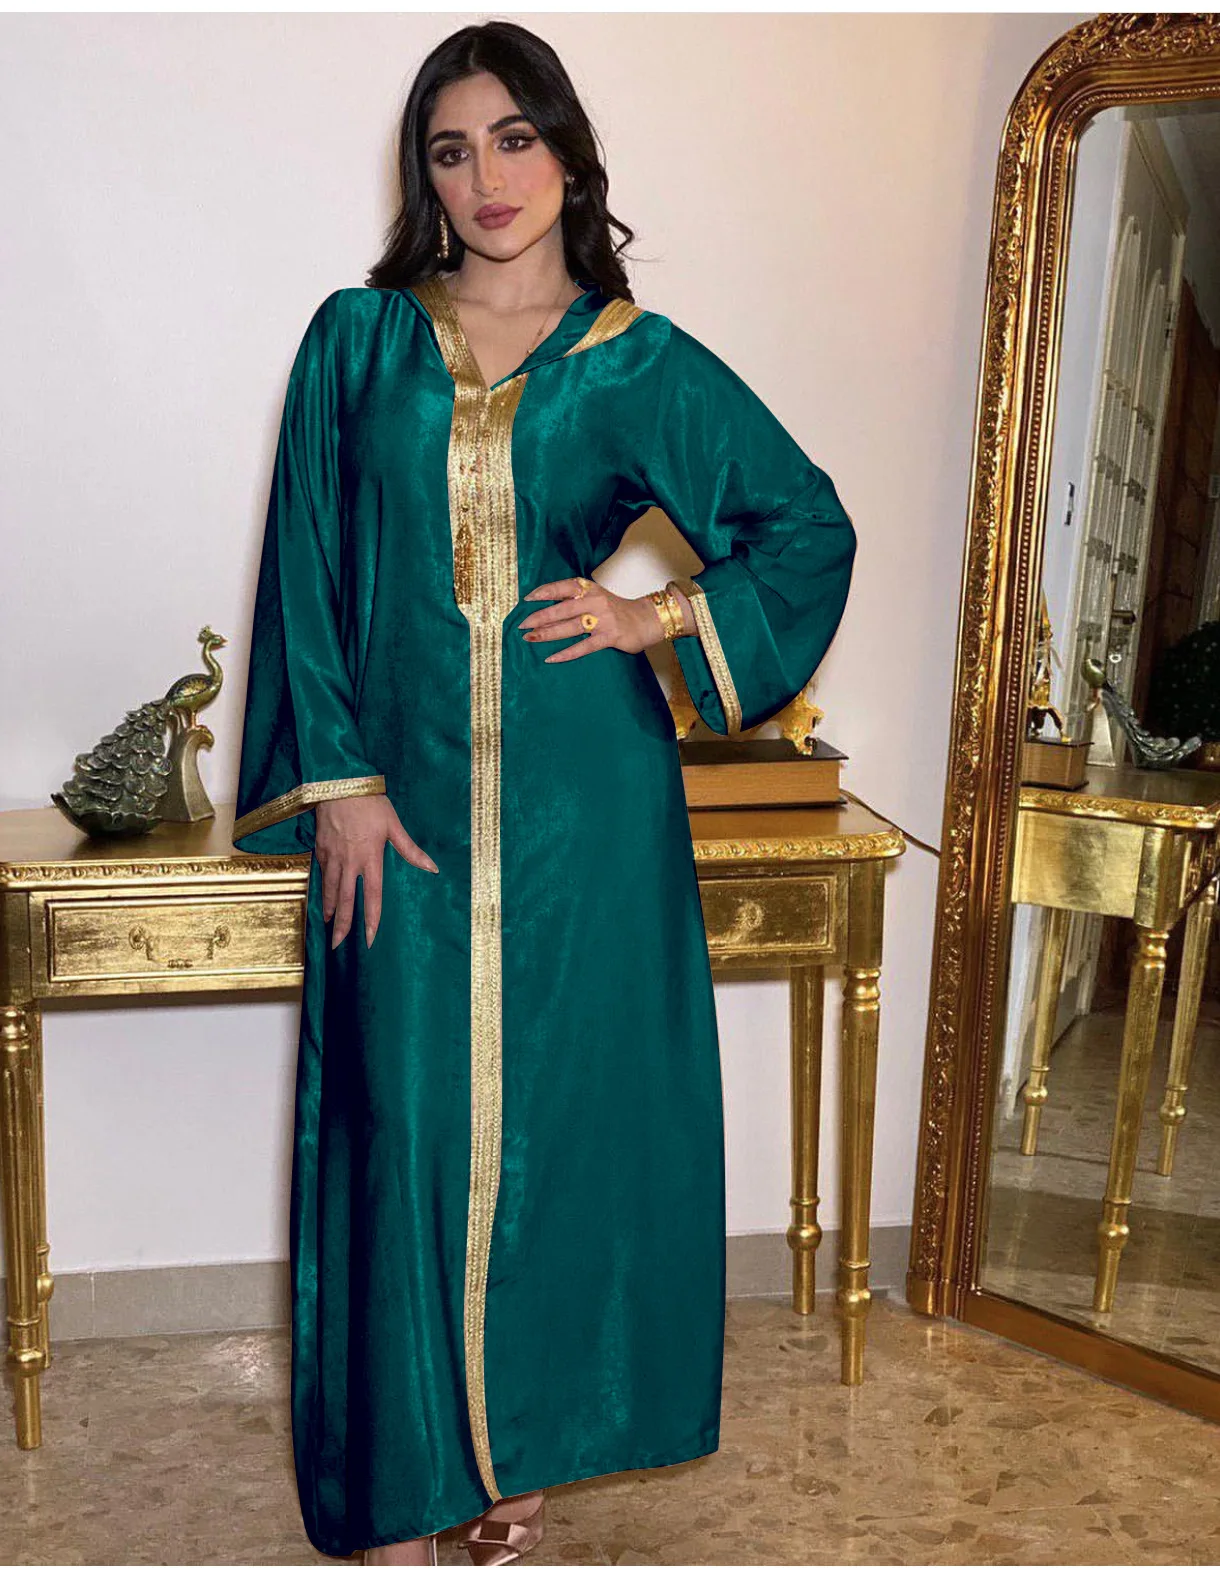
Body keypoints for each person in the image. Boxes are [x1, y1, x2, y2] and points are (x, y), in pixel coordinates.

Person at [233, 19, 856, 1567]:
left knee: (561, 1134)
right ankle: (401, 1490)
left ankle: (510, 1457)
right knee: (401, 1127)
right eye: (452, 150)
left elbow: (804, 526)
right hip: (399, 809)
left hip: (588, 813)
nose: (488, 177)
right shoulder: (359, 344)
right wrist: (341, 784)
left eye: (515, 139)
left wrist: (660, 617)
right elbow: (308, 569)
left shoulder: (635, 360)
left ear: (570, 156)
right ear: (424, 179)